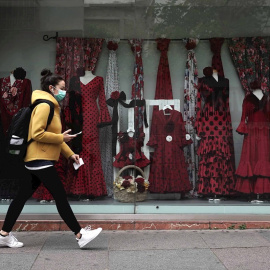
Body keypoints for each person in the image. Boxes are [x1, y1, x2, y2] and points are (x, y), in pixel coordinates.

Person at [0, 69, 102, 248]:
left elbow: (55, 136)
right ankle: (80, 235)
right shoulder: (44, 106)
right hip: (39, 159)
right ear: (51, 88)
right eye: (62, 88)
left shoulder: (52, 106)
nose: (65, 92)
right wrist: (61, 138)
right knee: (60, 197)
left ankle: (4, 234)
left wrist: (70, 154)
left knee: (22, 196)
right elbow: (37, 133)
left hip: (38, 158)